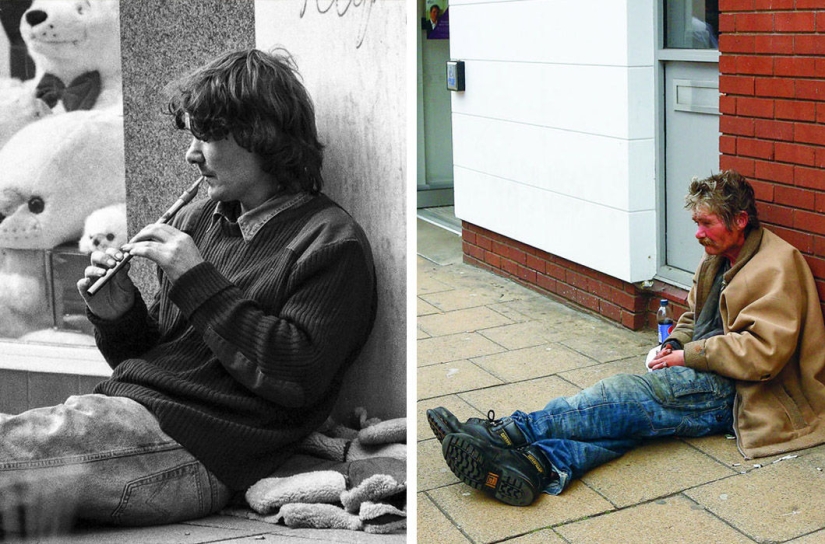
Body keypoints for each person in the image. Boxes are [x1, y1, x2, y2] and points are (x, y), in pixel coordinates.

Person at [0, 48, 377, 531]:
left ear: (260, 136)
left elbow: (296, 379)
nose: (190, 153)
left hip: (197, 450)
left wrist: (197, 278)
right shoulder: (199, 220)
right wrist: (118, 314)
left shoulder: (330, 242)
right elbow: (157, 357)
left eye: (206, 137)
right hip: (128, 420)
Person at [427, 170, 825, 507]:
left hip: (746, 393)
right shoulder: (718, 258)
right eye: (696, 223)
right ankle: (539, 464)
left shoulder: (777, 265)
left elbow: (762, 355)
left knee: (626, 396)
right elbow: (692, 317)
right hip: (713, 370)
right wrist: (675, 344)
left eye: (707, 224)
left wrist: (688, 357)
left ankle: (512, 432)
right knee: (634, 422)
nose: (699, 234)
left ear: (740, 220)